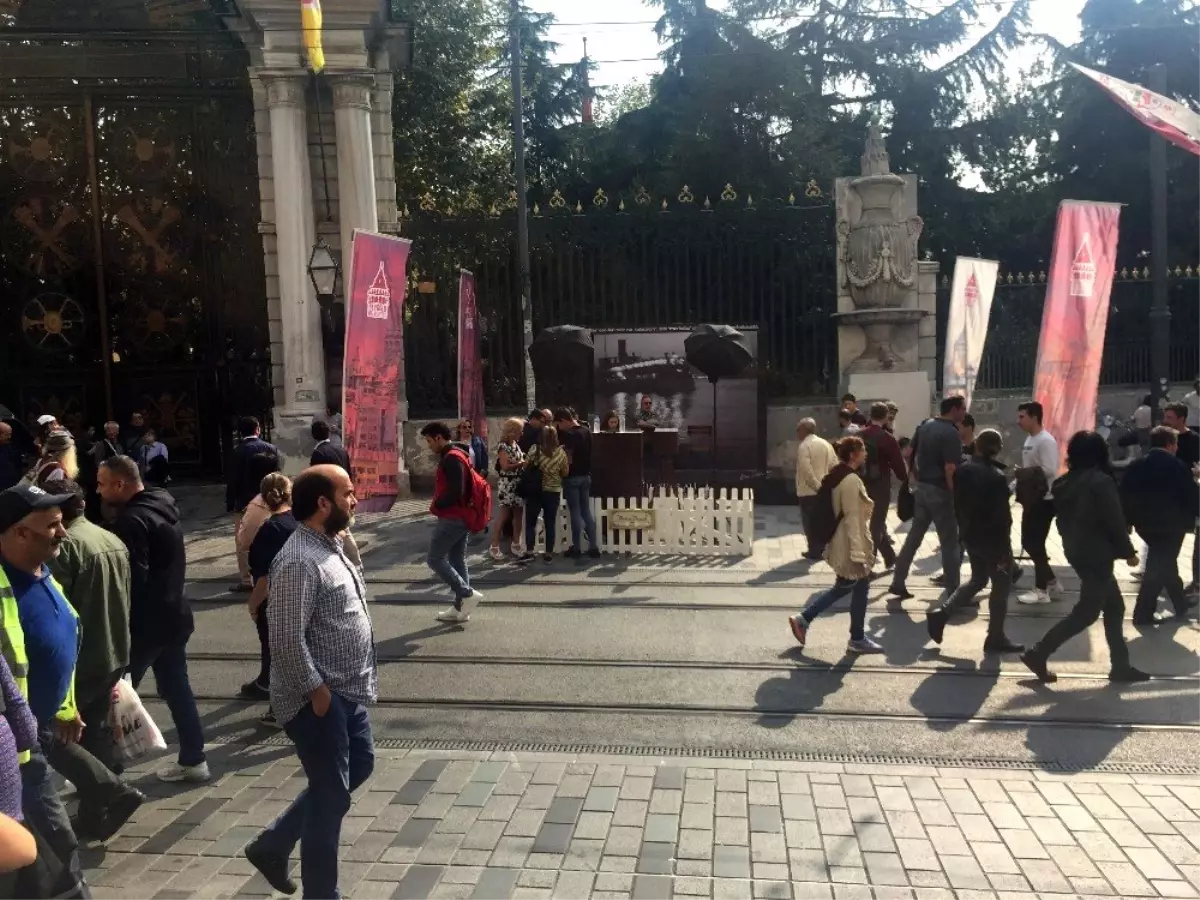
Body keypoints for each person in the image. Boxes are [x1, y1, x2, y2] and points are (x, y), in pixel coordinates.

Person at [243, 466, 377, 900]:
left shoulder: (332, 544)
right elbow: (284, 636)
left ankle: (274, 844)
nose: (355, 501)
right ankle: (322, 894)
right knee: (330, 800)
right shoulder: (299, 559)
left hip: (346, 692)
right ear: (323, 503)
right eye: (349, 494)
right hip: (318, 697)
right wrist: (317, 694)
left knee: (359, 767)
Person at [0, 483, 92, 900]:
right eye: (53, 525)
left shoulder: (43, 571)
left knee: (45, 849)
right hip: (17, 749)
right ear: (20, 532)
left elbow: (64, 638)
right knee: (55, 844)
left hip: (39, 731)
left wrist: (67, 705)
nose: (64, 533)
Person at [97, 456, 207, 782]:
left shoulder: (132, 522)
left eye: (102, 484)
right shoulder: (163, 505)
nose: (99, 492)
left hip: (145, 627)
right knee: (177, 689)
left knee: (112, 697)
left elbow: (132, 580)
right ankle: (194, 759)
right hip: (174, 616)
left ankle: (102, 773)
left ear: (120, 484)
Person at [1021, 431, 1148, 684]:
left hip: (1077, 551)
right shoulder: (1101, 482)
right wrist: (1128, 552)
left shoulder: (1063, 483)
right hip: (1098, 554)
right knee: (1087, 612)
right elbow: (1114, 521)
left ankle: (1121, 665)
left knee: (1114, 606)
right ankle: (1039, 652)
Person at [41, 480, 131, 775]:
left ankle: (104, 791)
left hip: (83, 658)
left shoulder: (64, 548)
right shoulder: (109, 537)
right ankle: (109, 782)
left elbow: (55, 607)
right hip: (113, 650)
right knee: (96, 726)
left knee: (62, 733)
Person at [926, 430, 1024, 655]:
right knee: (1000, 587)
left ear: (977, 446)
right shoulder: (996, 476)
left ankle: (942, 613)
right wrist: (1005, 547)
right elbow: (1003, 517)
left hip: (971, 536)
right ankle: (995, 636)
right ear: (997, 449)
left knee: (978, 580)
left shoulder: (963, 470)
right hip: (994, 541)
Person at [786, 436, 884, 655]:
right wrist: (859, 553)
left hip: (844, 539)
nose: (865, 454)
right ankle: (804, 619)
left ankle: (857, 637)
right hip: (848, 542)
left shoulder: (839, 475)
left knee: (860, 586)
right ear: (853, 455)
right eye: (862, 450)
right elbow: (851, 517)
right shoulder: (849, 480)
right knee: (844, 587)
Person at [1120, 426, 1200, 626]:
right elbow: (1190, 496)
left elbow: (1125, 494)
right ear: (1171, 445)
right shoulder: (1178, 466)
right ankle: (1142, 614)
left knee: (1165, 562)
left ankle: (1180, 603)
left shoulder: (1137, 465)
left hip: (1144, 524)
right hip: (1172, 525)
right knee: (1158, 566)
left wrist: (1127, 521)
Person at [889, 396, 966, 599]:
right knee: (950, 542)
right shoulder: (950, 433)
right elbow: (950, 469)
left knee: (914, 538)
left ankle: (898, 581)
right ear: (955, 409)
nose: (965, 413)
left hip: (922, 489)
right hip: (941, 491)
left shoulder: (925, 425)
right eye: (963, 409)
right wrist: (955, 494)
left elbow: (907, 453)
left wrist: (916, 476)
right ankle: (953, 591)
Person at [242, 473, 296, 729]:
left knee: (274, 654)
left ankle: (278, 710)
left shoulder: (270, 529)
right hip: (300, 596)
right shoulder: (298, 522)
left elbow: (263, 579)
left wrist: (253, 604)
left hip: (275, 602)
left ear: (263, 498)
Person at [420, 422, 484, 624]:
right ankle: (461, 609)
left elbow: (456, 490)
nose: (429, 445)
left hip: (453, 517)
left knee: (434, 558)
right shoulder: (459, 454)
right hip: (461, 516)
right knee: (457, 560)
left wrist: (438, 503)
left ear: (439, 438)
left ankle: (466, 594)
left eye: (429, 441)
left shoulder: (452, 458)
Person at [227, 416, 281, 592]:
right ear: (258, 429)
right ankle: (274, 574)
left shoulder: (238, 452)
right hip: (269, 500)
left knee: (243, 542)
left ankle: (246, 580)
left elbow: (233, 480)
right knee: (271, 538)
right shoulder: (271, 448)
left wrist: (230, 502)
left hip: (244, 502)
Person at [857, 403, 907, 570]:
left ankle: (890, 557)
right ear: (886, 417)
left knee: (867, 523)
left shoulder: (859, 435)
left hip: (860, 483)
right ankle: (868, 565)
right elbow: (898, 466)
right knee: (877, 524)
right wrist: (905, 480)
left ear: (870, 415)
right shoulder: (887, 438)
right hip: (880, 484)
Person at [520, 426, 570, 564]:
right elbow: (565, 472)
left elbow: (525, 466)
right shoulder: (561, 453)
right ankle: (548, 553)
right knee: (550, 522)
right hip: (552, 491)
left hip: (535, 490)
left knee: (530, 522)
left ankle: (530, 551)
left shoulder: (534, 449)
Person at [555, 408, 600, 559]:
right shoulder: (586, 431)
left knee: (575, 511)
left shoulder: (569, 435)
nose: (559, 428)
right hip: (586, 476)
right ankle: (593, 546)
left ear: (564, 420)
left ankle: (577, 548)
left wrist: (562, 472)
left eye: (559, 424)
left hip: (572, 477)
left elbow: (568, 459)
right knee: (586, 512)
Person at [795, 419, 837, 560]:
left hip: (809, 491)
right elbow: (834, 465)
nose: (797, 433)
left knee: (810, 522)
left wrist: (816, 486)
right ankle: (821, 548)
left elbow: (806, 470)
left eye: (798, 429)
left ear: (804, 430)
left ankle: (814, 550)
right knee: (821, 521)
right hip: (824, 490)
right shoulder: (826, 444)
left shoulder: (804, 446)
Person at [489, 418, 526, 560]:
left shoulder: (516, 444)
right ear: (512, 431)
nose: (521, 434)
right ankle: (494, 546)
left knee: (518, 515)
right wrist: (521, 464)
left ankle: (516, 544)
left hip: (518, 482)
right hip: (507, 483)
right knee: (504, 515)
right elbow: (504, 466)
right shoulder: (503, 447)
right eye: (519, 431)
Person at [0, 425, 21, 493]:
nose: (9, 437)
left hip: (9, 485)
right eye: (6, 435)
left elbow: (16, 462)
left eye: (10, 434)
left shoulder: (8, 447)